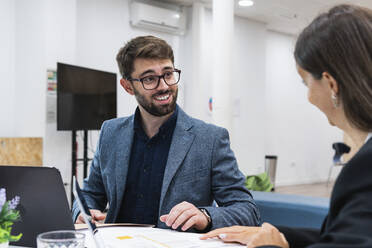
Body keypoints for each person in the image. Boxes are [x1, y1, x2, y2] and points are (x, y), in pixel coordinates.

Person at [201, 4, 372, 247]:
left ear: (331, 84)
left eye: (305, 84)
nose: (309, 97)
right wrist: (281, 238)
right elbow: (345, 237)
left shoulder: (365, 169)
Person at [71, 35, 260, 232]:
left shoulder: (210, 139)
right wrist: (83, 212)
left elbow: (247, 211)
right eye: (150, 79)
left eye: (168, 74)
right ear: (128, 86)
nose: (164, 86)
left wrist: (205, 215)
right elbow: (89, 194)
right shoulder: (111, 133)